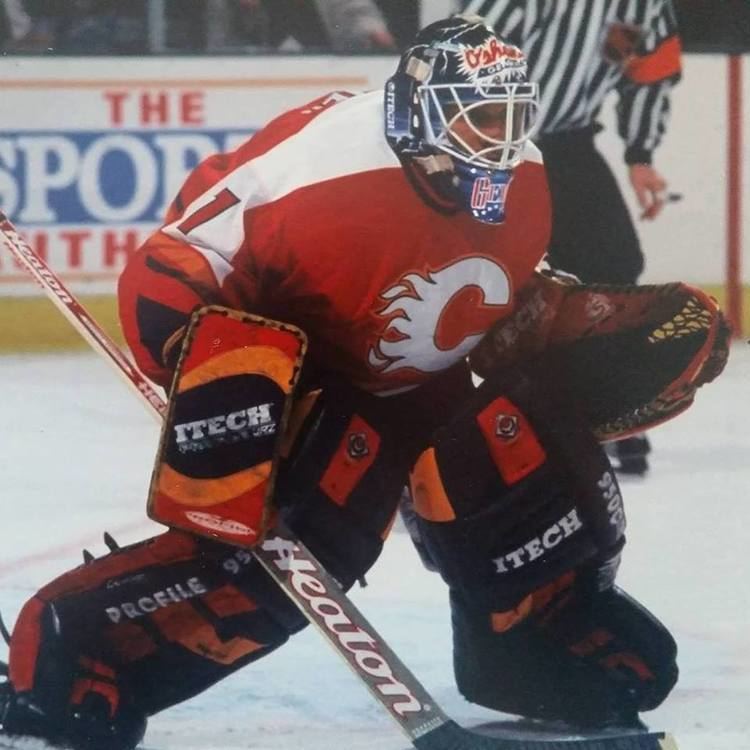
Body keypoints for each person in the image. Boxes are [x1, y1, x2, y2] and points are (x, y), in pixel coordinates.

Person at [0, 14, 727, 750]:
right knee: (292, 556)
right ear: (422, 115)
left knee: (516, 448)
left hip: (415, 374)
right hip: (315, 374)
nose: (502, 141)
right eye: (480, 119)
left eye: (512, 117)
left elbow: (495, 296)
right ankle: (77, 657)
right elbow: (168, 274)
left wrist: (551, 325)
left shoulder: (525, 176)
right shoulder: (320, 173)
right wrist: (222, 378)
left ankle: (529, 651)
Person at [461, 0, 684, 475]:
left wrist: (640, 155)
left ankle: (610, 409)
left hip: (569, 143)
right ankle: (482, 421)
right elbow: (464, 54)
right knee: (493, 278)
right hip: (497, 150)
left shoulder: (645, 6)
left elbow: (651, 71)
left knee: (616, 265)